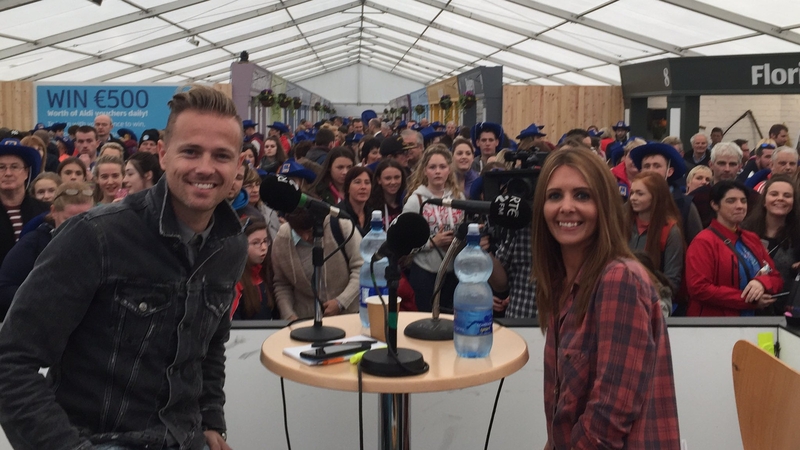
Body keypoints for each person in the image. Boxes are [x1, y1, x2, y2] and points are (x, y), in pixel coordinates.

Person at [0, 86, 246, 450]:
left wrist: (212, 420)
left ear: (239, 165)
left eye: (221, 155)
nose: (205, 168)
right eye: (191, 151)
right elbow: (11, 363)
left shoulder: (230, 244)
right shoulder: (95, 237)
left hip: (186, 438)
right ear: (162, 154)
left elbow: (209, 346)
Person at [531, 148, 680, 449]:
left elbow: (608, 417)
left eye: (582, 196)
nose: (567, 207)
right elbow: (566, 411)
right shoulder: (561, 284)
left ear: (604, 205)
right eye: (555, 196)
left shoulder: (618, 279)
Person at [685, 180, 783, 317]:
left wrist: (762, 283)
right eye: (731, 201)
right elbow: (699, 288)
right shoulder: (703, 241)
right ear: (715, 205)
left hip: (753, 323)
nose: (740, 206)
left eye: (743, 201)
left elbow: (776, 277)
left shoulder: (752, 238)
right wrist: (748, 300)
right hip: (714, 325)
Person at [0, 182, 93, 320]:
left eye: (85, 219)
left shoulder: (100, 243)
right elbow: (4, 289)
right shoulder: (33, 243)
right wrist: (46, 301)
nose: (77, 227)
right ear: (54, 211)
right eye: (68, 220)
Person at [403, 145, 465, 312]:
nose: (438, 171)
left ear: (449, 170)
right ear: (425, 171)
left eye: (442, 167)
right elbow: (404, 244)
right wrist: (432, 243)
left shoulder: (459, 198)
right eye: (432, 167)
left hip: (453, 273)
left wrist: (459, 241)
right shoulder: (415, 201)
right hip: (425, 273)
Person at [272, 208, 362, 321]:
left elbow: (361, 268)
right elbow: (282, 284)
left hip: (347, 315)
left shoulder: (342, 226)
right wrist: (289, 315)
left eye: (310, 231)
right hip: (304, 319)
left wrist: (341, 302)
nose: (305, 237)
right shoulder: (282, 240)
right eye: (298, 232)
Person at [627, 171, 685, 316]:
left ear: (656, 197)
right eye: (632, 193)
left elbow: (672, 280)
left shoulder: (670, 231)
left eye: (640, 194)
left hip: (653, 304)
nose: (633, 198)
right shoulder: (621, 224)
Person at [741, 175, 800, 314]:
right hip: (746, 310)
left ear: (793, 202)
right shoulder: (744, 231)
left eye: (787, 195)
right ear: (764, 201)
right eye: (774, 194)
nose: (780, 198)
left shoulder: (798, 234)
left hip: (786, 314)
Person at [0, 138, 48, 266]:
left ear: (26, 172)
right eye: (1, 167)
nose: (8, 173)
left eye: (15, 167)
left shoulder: (45, 211)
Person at [231, 220, 278, 320]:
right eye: (256, 243)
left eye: (265, 241)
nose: (264, 247)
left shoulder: (265, 272)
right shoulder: (234, 282)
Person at [368, 159, 406, 230]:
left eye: (397, 177)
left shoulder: (407, 202)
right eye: (388, 178)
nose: (393, 182)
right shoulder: (370, 205)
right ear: (379, 180)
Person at [337, 166, 373, 236]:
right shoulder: (338, 213)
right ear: (348, 187)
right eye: (357, 182)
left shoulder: (372, 213)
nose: (363, 187)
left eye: (367, 182)